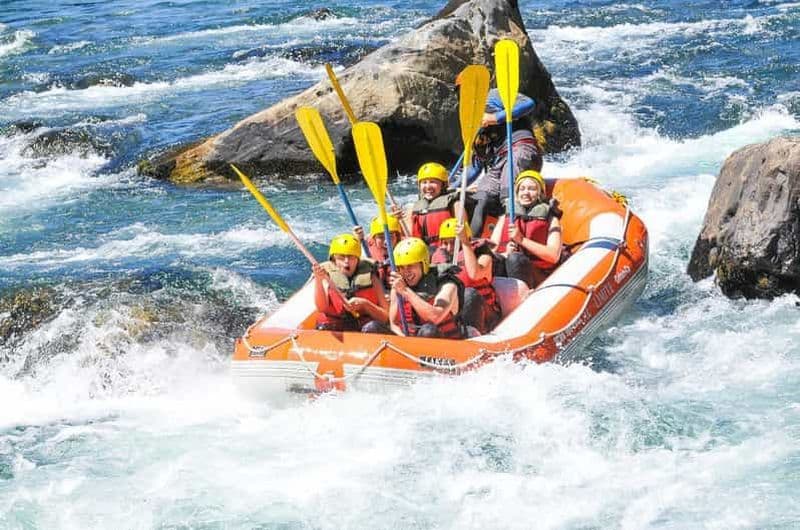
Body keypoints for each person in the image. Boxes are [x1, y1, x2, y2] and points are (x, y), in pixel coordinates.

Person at [449, 84, 543, 237]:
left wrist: (495, 118)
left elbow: (528, 103)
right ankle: (471, 245)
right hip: (497, 164)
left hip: (519, 149)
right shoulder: (473, 124)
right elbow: (474, 167)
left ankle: (515, 241)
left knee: (507, 192)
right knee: (482, 196)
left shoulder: (494, 95)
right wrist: (451, 185)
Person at [491, 170, 561, 288]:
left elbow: (553, 256)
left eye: (531, 189)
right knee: (498, 260)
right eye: (522, 189)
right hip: (508, 276)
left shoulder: (551, 219)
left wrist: (521, 240)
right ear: (517, 193)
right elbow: (492, 250)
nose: (526, 193)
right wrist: (504, 253)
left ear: (540, 193)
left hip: (537, 275)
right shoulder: (506, 217)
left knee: (515, 259)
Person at [432, 218, 501, 335]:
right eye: (445, 243)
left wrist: (465, 242)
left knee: (468, 294)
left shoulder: (483, 254)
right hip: (456, 315)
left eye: (453, 242)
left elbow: (474, 274)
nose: (449, 248)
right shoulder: (438, 258)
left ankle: (473, 337)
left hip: (486, 314)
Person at [388, 237, 465, 338]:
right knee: (372, 327)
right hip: (411, 347)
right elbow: (394, 324)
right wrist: (404, 340)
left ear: (423, 264)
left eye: (410, 265)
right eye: (401, 267)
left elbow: (435, 317)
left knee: (429, 331)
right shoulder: (398, 287)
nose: (406, 271)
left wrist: (406, 291)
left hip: (445, 345)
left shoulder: (447, 285)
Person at [312, 233, 389, 332]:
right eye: (341, 257)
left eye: (351, 257)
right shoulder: (326, 276)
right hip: (337, 327)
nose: (346, 261)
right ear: (334, 259)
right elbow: (321, 308)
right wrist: (318, 280)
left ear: (357, 259)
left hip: (363, 330)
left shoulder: (371, 277)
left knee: (372, 327)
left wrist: (365, 304)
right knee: (323, 328)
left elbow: (386, 317)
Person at [393, 162, 459, 248]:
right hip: (421, 251)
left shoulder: (454, 205)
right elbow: (409, 237)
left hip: (447, 249)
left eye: (433, 182)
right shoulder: (413, 209)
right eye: (424, 182)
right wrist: (399, 221)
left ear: (443, 185)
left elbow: (463, 233)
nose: (428, 186)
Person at [353, 215, 403, 290]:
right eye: (381, 237)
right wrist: (357, 240)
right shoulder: (366, 249)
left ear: (397, 237)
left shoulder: (405, 249)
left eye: (391, 236)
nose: (386, 242)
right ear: (374, 239)